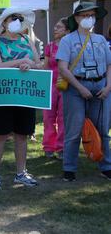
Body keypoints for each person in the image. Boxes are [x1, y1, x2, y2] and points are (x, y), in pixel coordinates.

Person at [0, 7, 44, 189]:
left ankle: (21, 173)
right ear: (4, 22)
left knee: (22, 134)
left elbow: (39, 64)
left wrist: (31, 66)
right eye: (13, 18)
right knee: (0, 134)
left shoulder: (27, 39)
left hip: (25, 95)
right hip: (2, 94)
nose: (16, 21)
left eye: (19, 18)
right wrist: (19, 62)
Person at [56, 1, 111, 182]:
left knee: (103, 129)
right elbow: (63, 68)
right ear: (77, 18)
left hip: (101, 87)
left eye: (92, 15)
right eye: (85, 15)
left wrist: (108, 87)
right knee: (74, 129)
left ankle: (106, 166)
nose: (89, 19)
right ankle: (69, 169)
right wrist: (80, 88)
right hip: (75, 88)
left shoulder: (101, 40)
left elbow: (110, 66)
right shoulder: (67, 40)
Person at [42, 17, 69, 160]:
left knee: (63, 118)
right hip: (51, 86)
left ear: (67, 30)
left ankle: (61, 147)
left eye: (59, 27)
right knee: (48, 118)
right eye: (55, 27)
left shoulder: (70, 46)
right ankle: (48, 147)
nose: (55, 29)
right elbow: (45, 66)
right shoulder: (50, 46)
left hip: (66, 86)